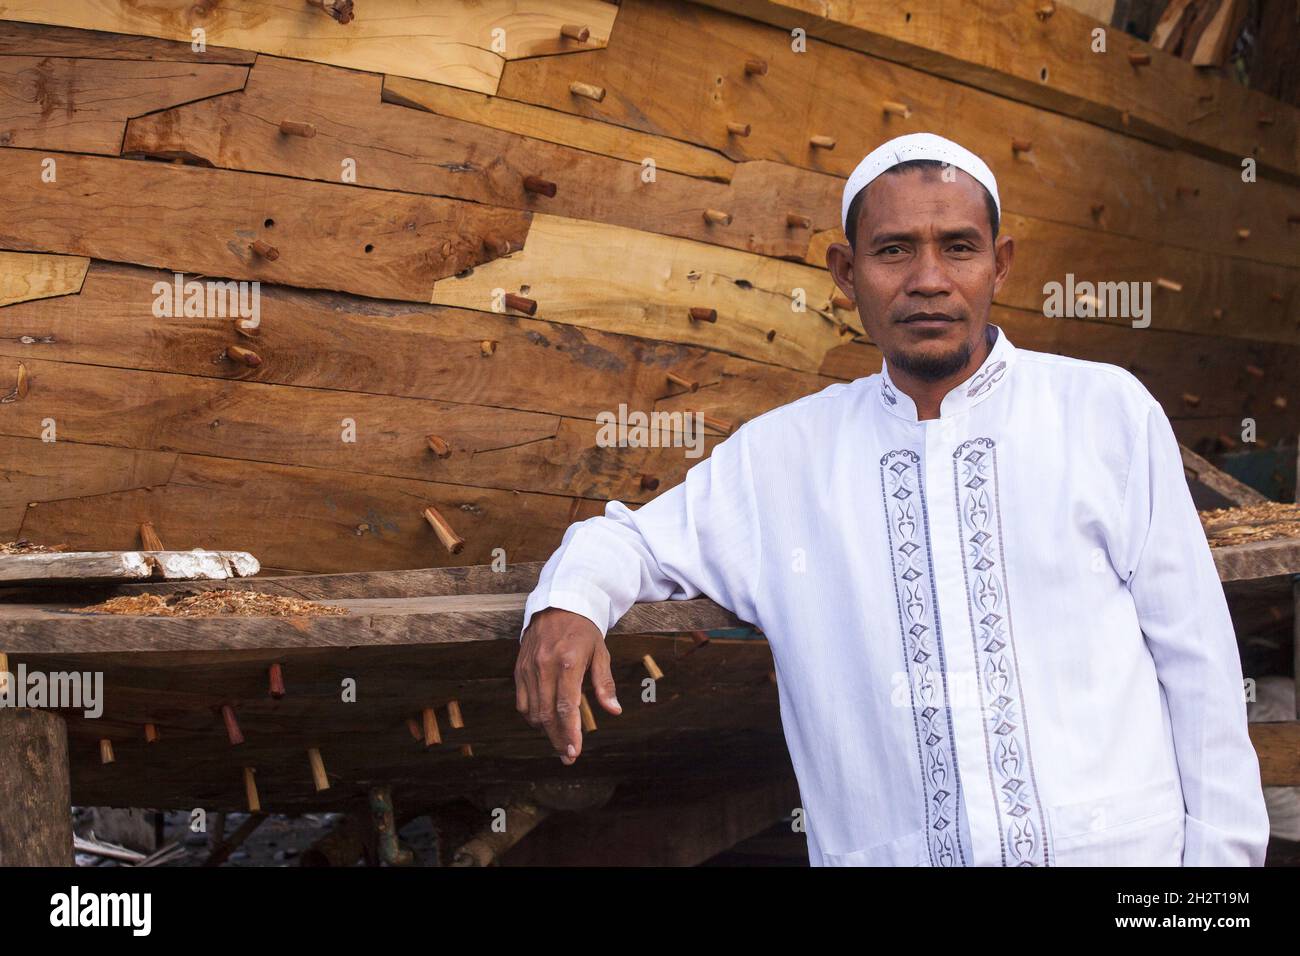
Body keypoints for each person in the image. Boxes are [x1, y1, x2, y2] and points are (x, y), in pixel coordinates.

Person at [513, 132, 1270, 866]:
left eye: (960, 247)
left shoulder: (1103, 412)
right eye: (894, 249)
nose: (930, 279)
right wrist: (568, 604)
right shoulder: (785, 456)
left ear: (1000, 264)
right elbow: (635, 542)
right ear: (846, 272)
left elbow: (1199, 666)